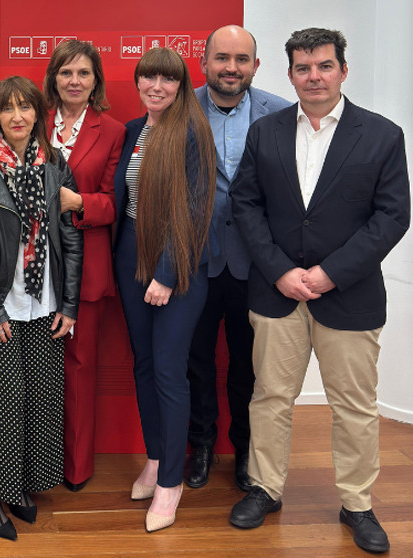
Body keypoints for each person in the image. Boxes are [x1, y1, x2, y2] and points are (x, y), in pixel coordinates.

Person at [229, 28, 409, 554]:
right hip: (276, 292)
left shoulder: (382, 135)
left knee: (354, 405)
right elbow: (246, 205)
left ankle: (357, 504)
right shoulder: (265, 132)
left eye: (325, 66)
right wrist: (280, 270)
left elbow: (392, 216)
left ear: (343, 71)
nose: (314, 77)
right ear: (289, 75)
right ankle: (265, 488)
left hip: (349, 296)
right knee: (270, 397)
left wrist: (331, 273)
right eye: (303, 68)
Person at [0, 76, 82, 541]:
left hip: (45, 305)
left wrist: (69, 304)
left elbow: (70, 238)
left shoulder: (56, 165)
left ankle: (19, 485)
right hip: (0, 307)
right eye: (7, 108)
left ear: (37, 114)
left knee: (40, 401)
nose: (17, 116)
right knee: (4, 403)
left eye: (25, 106)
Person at [113, 47, 216, 532]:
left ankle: (171, 482)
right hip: (129, 257)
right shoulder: (134, 130)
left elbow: (195, 208)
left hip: (178, 264)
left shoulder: (193, 130)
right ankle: (155, 460)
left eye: (168, 79)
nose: (157, 87)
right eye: (148, 78)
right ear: (137, 82)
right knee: (145, 365)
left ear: (181, 85)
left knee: (170, 372)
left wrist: (168, 273)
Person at [184, 25, 289, 491]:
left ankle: (245, 450)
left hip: (257, 265)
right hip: (195, 263)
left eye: (241, 59)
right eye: (222, 58)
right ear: (204, 62)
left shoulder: (281, 113)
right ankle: (202, 445)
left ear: (255, 65)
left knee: (250, 366)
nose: (231, 68)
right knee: (196, 362)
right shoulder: (180, 109)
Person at [43, 39, 126, 492]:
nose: (74, 81)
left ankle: (75, 469)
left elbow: (115, 203)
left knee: (78, 368)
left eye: (83, 73)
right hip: (30, 268)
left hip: (86, 268)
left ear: (96, 82)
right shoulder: (29, 120)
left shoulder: (112, 131)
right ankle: (35, 462)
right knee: (33, 369)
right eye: (66, 72)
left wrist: (79, 203)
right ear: (54, 79)